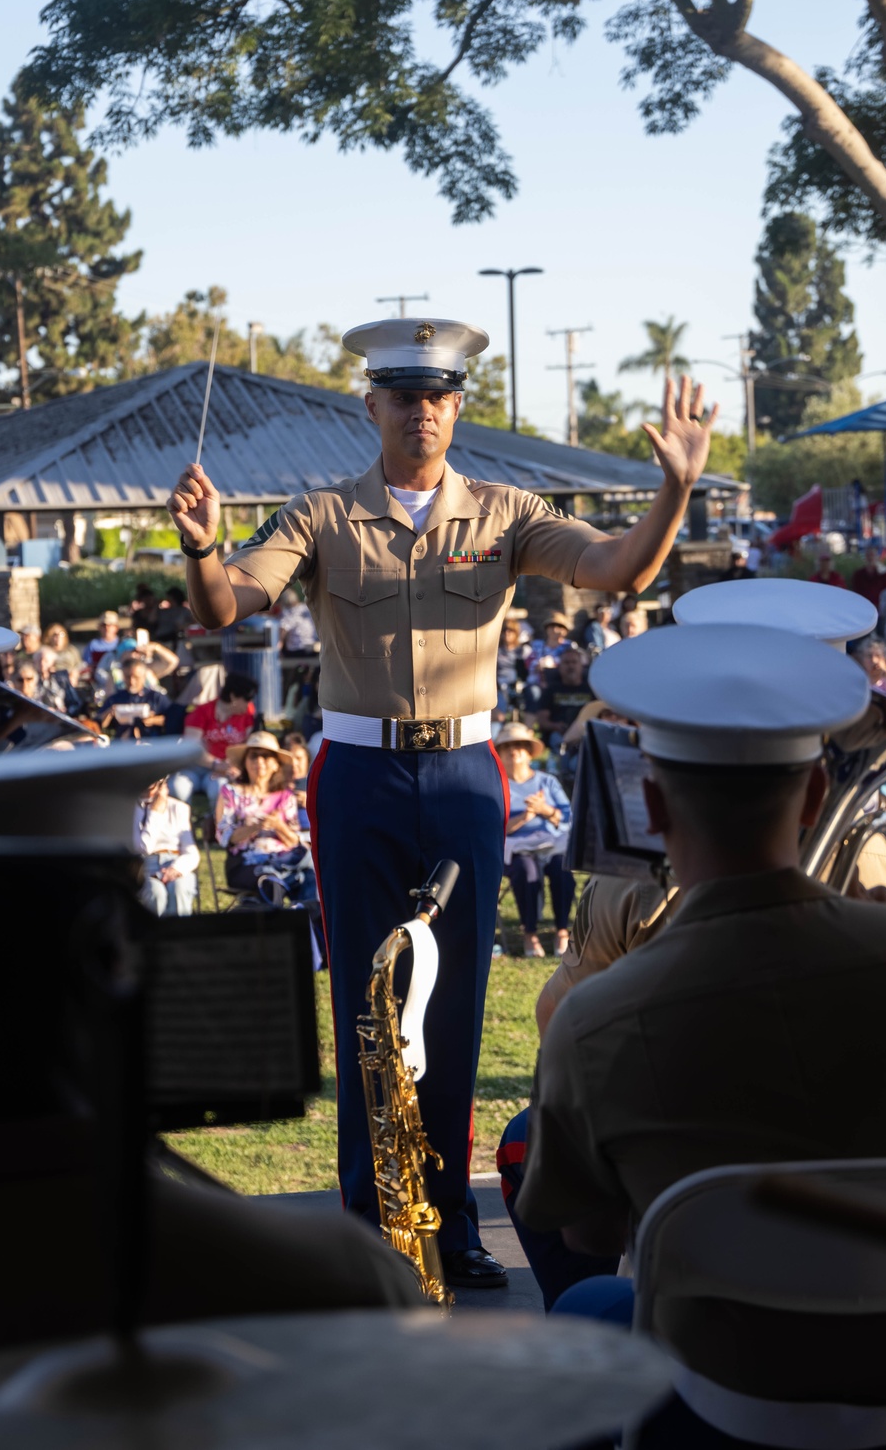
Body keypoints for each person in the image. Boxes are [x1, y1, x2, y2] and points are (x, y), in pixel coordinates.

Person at [166, 314, 716, 1290]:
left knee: (456, 1003)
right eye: (403, 396)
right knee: (366, 1003)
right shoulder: (320, 513)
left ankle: (450, 1218)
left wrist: (675, 491)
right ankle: (369, 1224)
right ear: (371, 405)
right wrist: (203, 547)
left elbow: (615, 569)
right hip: (359, 775)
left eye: (438, 396)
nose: (422, 411)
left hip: (466, 773)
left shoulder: (505, 511)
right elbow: (223, 607)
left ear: (457, 406)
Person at [517, 623, 886, 1414]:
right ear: (818, 792)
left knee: (584, 1307)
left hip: (720, 1408)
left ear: (651, 804)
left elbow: (582, 1232)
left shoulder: (595, 1020)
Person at [495, 722, 573, 958]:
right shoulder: (497, 785)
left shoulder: (547, 782)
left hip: (551, 844)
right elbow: (493, 829)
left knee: (563, 868)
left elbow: (569, 818)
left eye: (520, 745)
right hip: (516, 849)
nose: (514, 751)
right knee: (526, 870)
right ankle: (530, 934)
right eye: (507, 746)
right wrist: (523, 818)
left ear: (530, 753)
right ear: (499, 753)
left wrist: (545, 810)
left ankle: (562, 931)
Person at [216, 730, 313, 901]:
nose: (259, 761)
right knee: (271, 883)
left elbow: (293, 841)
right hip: (245, 864)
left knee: (311, 879)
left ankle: (310, 926)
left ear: (276, 764)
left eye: (266, 756)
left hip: (285, 861)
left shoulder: (286, 796)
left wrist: (277, 825)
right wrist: (257, 826)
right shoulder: (230, 793)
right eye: (254, 756)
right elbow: (225, 836)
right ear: (245, 762)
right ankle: (275, 925)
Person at [170, 671, 259, 805]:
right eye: (246, 700)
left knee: (220, 790)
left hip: (226, 770)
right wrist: (216, 764)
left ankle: (216, 825)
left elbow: (249, 744)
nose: (249, 704)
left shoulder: (247, 713)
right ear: (233, 696)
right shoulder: (202, 712)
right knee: (178, 787)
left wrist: (235, 766)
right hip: (196, 767)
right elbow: (192, 748)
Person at [134, 777, 200, 916]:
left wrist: (177, 868)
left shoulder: (178, 807)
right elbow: (144, 847)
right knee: (155, 892)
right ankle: (156, 936)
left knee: (179, 887)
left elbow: (191, 852)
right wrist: (155, 812)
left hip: (174, 859)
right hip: (144, 864)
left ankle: (181, 935)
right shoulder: (130, 810)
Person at [533, 646, 595, 752]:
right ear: (560, 667)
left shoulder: (591, 690)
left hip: (585, 734)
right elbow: (542, 720)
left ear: (581, 666)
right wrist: (555, 726)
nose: (570, 666)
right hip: (559, 734)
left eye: (574, 662)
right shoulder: (551, 690)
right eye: (566, 663)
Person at [98, 656, 169, 740]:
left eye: (136, 677)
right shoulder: (115, 699)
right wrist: (109, 713)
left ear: (144, 677)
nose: (132, 681)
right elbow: (98, 724)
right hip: (123, 745)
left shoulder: (156, 697)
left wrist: (153, 720)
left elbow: (173, 719)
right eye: (128, 677)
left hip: (151, 744)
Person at [850, 543, 886, 610]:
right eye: (868, 556)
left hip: (880, 608)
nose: (870, 558)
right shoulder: (858, 575)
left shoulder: (884, 574)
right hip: (863, 607)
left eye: (872, 555)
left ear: (877, 557)